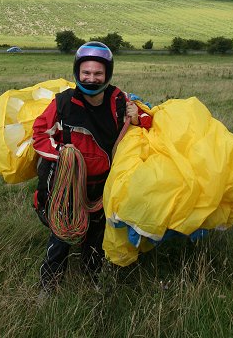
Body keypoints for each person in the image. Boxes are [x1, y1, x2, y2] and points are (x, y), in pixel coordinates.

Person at [32, 41, 152, 291]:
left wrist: (137, 117)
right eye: (86, 72)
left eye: (98, 73)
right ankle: (49, 286)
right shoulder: (63, 103)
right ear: (78, 72)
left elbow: (149, 126)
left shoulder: (119, 100)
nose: (92, 78)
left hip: (103, 185)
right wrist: (63, 155)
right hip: (69, 186)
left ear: (107, 74)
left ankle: (93, 278)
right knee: (62, 235)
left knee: (97, 235)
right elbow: (40, 135)